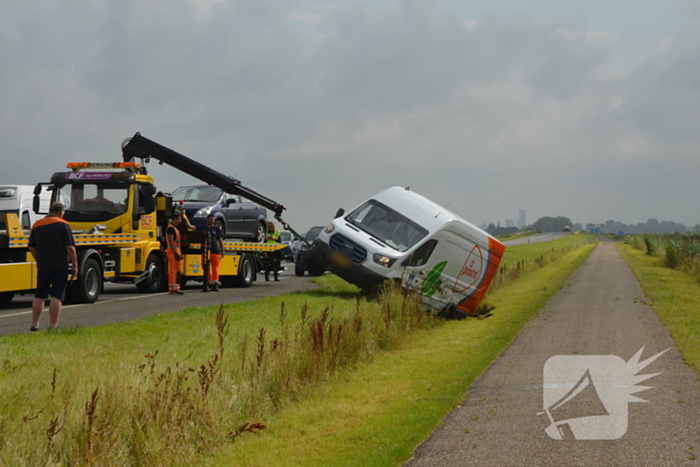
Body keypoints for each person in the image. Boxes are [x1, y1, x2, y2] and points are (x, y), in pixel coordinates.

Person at [28, 202, 78, 331]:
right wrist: (75, 265)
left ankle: (35, 324)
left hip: (43, 265)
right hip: (60, 264)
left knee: (40, 295)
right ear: (61, 213)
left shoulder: (37, 225)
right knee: (57, 295)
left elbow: (32, 247)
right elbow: (70, 248)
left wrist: (39, 259)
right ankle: (53, 326)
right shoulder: (63, 224)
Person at [193, 214, 224, 292]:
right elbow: (192, 227)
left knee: (215, 267)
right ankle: (209, 282)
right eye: (211, 219)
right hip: (205, 250)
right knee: (205, 266)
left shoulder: (216, 229)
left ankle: (215, 283)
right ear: (207, 219)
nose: (212, 221)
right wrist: (184, 218)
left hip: (214, 250)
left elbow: (220, 240)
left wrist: (222, 250)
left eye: (213, 220)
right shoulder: (202, 227)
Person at [166, 212, 185, 295]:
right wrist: (175, 252)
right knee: (173, 270)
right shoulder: (171, 228)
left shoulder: (174, 228)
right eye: (179, 219)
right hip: (173, 252)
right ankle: (173, 288)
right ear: (175, 219)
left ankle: (176, 288)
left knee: (176, 270)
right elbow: (170, 241)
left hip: (175, 252)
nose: (180, 221)